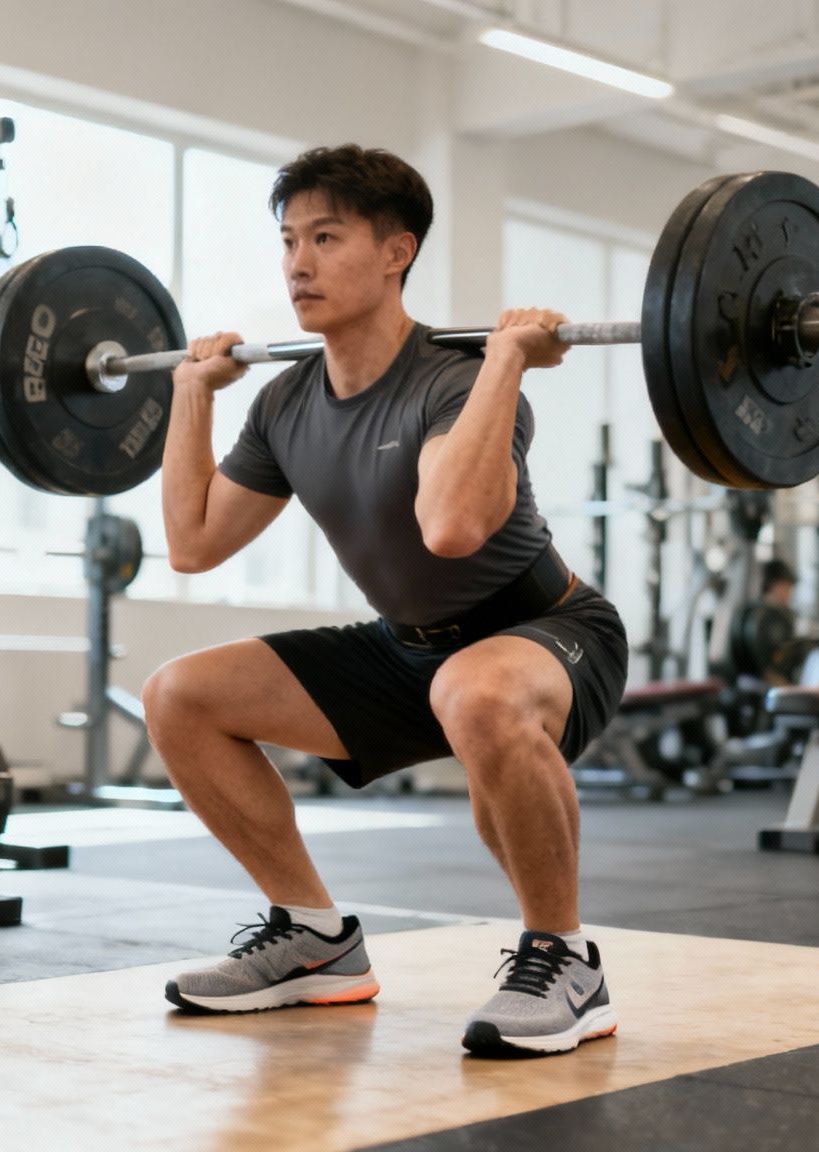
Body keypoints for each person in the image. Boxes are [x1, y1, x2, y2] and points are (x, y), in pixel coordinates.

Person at [142, 144, 629, 1058]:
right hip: (407, 651)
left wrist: (507, 363)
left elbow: (450, 527)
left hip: (545, 632)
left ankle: (566, 961)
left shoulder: (457, 379)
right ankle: (313, 940)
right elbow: (194, 544)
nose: (297, 263)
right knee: (180, 696)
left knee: (475, 693)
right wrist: (190, 396)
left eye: (325, 237)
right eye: (288, 240)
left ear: (397, 251)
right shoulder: (286, 402)